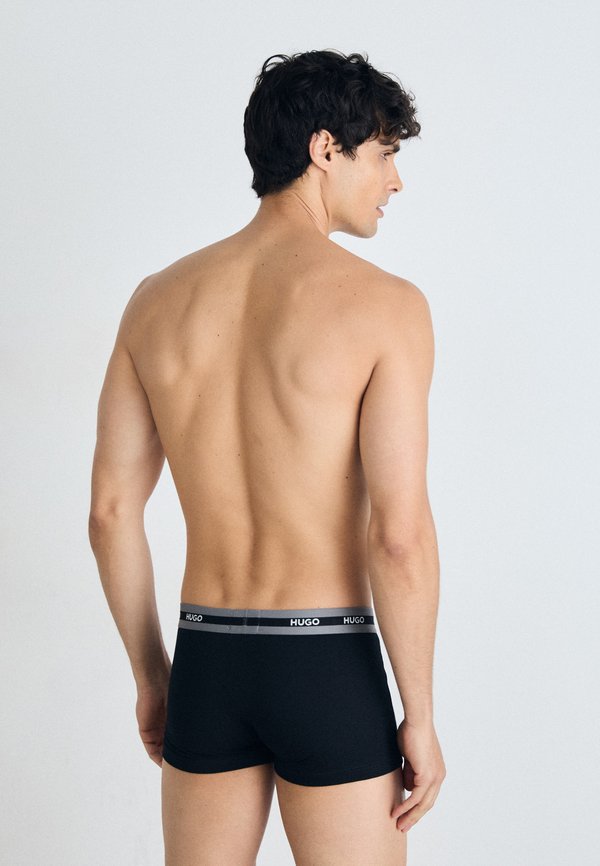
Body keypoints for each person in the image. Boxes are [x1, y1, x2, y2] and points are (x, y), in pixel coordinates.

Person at [88, 48, 446, 866]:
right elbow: (399, 537)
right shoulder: (387, 308)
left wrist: (154, 677)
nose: (394, 181)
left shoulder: (155, 301)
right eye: (384, 154)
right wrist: (419, 714)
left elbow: (110, 513)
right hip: (325, 661)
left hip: (207, 661)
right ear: (326, 149)